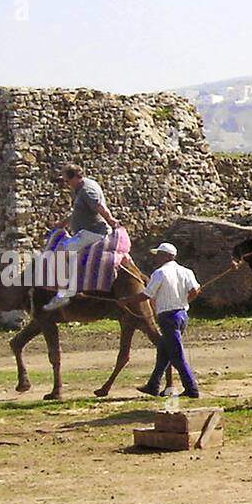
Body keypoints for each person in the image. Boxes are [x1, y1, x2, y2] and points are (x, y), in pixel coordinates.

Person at [43, 165, 121, 311]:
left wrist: (111, 220)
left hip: (94, 232)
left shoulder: (87, 190)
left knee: (63, 252)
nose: (66, 184)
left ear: (75, 177)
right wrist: (62, 223)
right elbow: (78, 212)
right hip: (84, 231)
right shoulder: (79, 189)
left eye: (67, 180)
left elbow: (99, 207)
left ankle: (65, 293)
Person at [136, 242, 201, 398]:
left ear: (166, 256)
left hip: (168, 317)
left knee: (176, 355)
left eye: (159, 255)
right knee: (164, 351)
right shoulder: (186, 271)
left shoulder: (159, 273)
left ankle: (192, 388)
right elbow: (196, 290)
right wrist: (185, 301)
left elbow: (147, 294)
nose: (156, 258)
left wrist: (126, 300)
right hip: (181, 314)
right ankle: (154, 385)